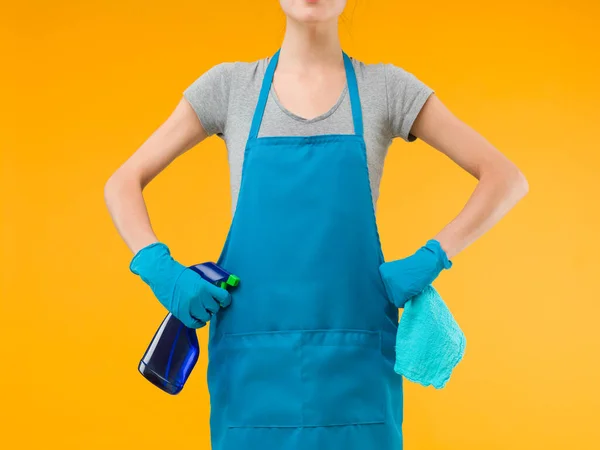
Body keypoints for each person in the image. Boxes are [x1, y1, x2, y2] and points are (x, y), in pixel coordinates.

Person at [104, 1, 528, 448]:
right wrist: (158, 268)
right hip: (253, 376)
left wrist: (433, 256)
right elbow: (122, 183)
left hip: (355, 375)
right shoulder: (229, 88)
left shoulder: (385, 89)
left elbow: (505, 178)